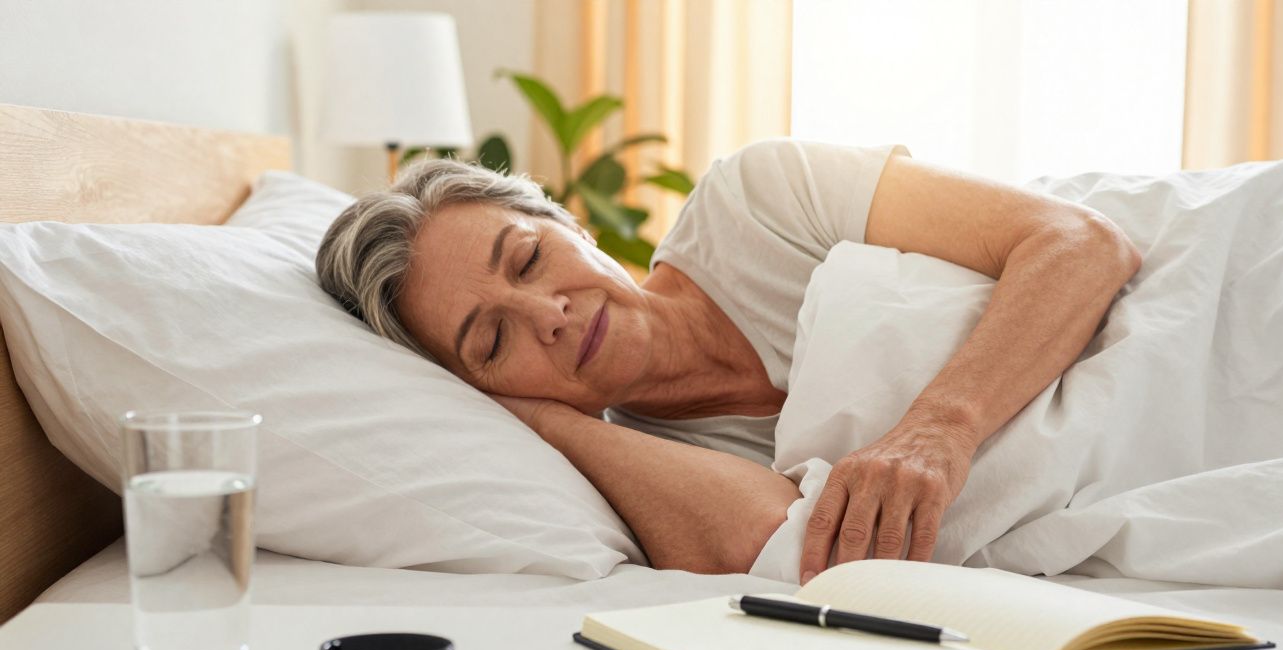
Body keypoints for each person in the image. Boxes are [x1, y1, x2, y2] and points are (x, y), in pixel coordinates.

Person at [314, 138, 1141, 581]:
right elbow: (784, 543)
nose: (548, 315)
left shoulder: (757, 199)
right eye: (492, 341)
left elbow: (1077, 241)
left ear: (574, 224)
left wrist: (939, 427)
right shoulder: (650, 470)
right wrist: (536, 414)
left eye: (528, 259)